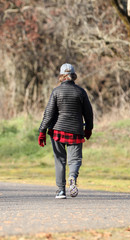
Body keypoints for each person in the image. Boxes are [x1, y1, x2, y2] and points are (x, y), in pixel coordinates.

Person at [38, 63, 93, 199]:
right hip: (76, 130)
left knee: (60, 160)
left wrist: (42, 131)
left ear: (61, 76)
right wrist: (88, 128)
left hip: (57, 130)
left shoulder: (56, 92)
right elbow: (88, 113)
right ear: (73, 76)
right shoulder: (81, 92)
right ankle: (72, 177)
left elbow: (49, 113)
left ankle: (61, 191)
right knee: (75, 160)